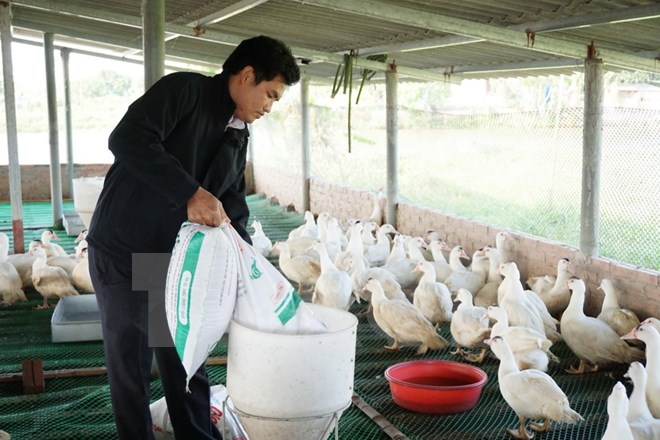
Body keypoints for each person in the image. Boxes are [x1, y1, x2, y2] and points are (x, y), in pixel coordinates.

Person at [86, 35, 300, 439]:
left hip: (171, 259)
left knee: (184, 357)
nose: (269, 107)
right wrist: (189, 192)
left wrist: (251, 266)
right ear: (246, 75)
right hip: (124, 249)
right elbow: (127, 138)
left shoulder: (238, 132)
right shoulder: (185, 91)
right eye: (270, 95)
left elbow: (232, 202)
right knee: (131, 361)